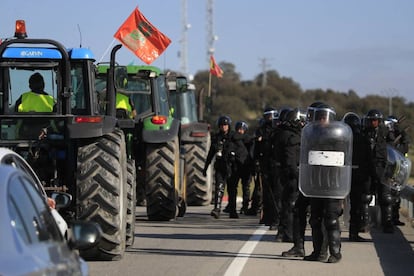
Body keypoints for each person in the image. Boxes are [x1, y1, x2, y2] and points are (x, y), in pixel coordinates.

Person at [282, 102, 328, 259]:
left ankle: (320, 251)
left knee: (320, 215)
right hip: (308, 179)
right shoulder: (308, 132)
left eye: (312, 115)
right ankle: (301, 247)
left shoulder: (327, 134)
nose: (308, 118)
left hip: (321, 181)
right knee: (301, 210)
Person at [302, 103, 347, 263]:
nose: (321, 120)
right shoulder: (311, 135)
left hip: (332, 184)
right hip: (315, 182)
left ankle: (335, 252)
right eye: (319, 117)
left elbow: (341, 157)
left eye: (324, 117)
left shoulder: (338, 136)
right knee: (315, 219)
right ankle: (318, 252)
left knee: (331, 219)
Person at [203, 115, 242, 219]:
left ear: (228, 126)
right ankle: (217, 209)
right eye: (221, 125)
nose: (223, 127)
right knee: (219, 187)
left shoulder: (235, 137)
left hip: (232, 167)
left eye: (225, 125)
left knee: (232, 189)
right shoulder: (216, 138)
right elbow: (211, 153)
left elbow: (242, 151)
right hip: (220, 166)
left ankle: (232, 210)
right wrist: (205, 167)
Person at [362, 109, 394, 233]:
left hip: (383, 168)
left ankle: (388, 223)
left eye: (375, 120)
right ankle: (364, 223)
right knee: (365, 197)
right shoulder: (364, 133)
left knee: (385, 198)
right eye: (371, 120)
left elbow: (393, 151)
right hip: (368, 168)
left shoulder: (386, 134)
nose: (373, 123)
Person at [273, 108, 302, 243]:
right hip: (291, 175)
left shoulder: (283, 133)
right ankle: (288, 234)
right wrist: (298, 175)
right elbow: (290, 160)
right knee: (291, 204)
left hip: (286, 173)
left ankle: (283, 231)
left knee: (286, 203)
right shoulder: (290, 136)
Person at [343, 112, 372, 241]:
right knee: (356, 206)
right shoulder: (363, 139)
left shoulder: (341, 139)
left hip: (342, 175)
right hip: (359, 176)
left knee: (335, 205)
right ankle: (353, 233)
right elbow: (369, 160)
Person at [252, 107, 281, 230]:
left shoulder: (278, 130)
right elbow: (257, 147)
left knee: (276, 193)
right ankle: (267, 217)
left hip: (275, 163)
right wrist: (256, 161)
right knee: (266, 192)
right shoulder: (261, 130)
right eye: (267, 116)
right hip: (265, 163)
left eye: (271, 116)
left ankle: (276, 219)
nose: (269, 118)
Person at [385, 115, 410, 226]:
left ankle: (394, 218)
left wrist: (403, 135)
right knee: (386, 197)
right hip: (386, 170)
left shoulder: (398, 137)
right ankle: (386, 220)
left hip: (397, 170)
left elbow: (404, 149)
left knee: (396, 196)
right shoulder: (385, 136)